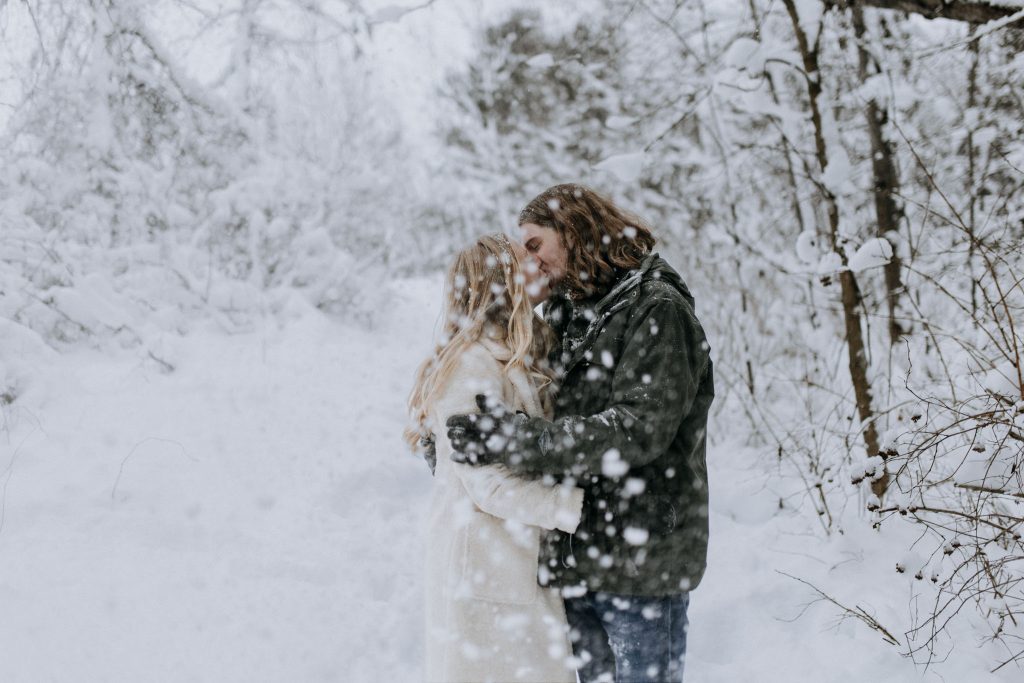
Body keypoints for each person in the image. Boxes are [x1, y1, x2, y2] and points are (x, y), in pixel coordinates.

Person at [446, 184, 714, 683]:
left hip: (641, 557)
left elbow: (637, 430)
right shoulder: (569, 309)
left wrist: (515, 442)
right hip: (577, 554)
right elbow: (522, 387)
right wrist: (447, 429)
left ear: (575, 232)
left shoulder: (657, 310)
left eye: (534, 244)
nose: (528, 259)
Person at [405, 233, 585, 683]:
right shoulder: (472, 364)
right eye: (525, 261)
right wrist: (580, 509)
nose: (538, 266)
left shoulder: (523, 352)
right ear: (501, 282)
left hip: (515, 564)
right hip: (485, 570)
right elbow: (489, 485)